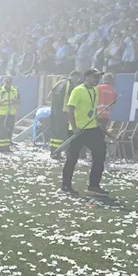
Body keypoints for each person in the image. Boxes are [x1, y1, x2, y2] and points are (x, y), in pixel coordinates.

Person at [62, 68, 107, 196]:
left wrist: (98, 123)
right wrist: (74, 127)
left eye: (98, 77)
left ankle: (94, 185)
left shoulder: (95, 90)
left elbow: (93, 109)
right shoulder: (77, 90)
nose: (96, 80)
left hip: (92, 128)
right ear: (86, 77)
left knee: (100, 152)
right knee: (72, 157)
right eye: (94, 77)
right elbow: (70, 109)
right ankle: (66, 185)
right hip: (78, 130)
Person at [48, 71, 79, 156]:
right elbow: (71, 101)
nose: (77, 80)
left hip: (54, 111)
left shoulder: (59, 82)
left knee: (54, 133)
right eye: (77, 78)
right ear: (74, 76)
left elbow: (49, 96)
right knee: (61, 133)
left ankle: (53, 151)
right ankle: (57, 153)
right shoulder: (70, 86)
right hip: (62, 112)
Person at [0, 75, 19, 153]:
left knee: (9, 130)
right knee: (2, 132)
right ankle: (2, 148)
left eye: (9, 82)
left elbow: (18, 101)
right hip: (2, 114)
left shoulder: (15, 90)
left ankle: (7, 148)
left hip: (11, 114)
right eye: (6, 82)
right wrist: (3, 101)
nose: (8, 84)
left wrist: (14, 101)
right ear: (3, 82)